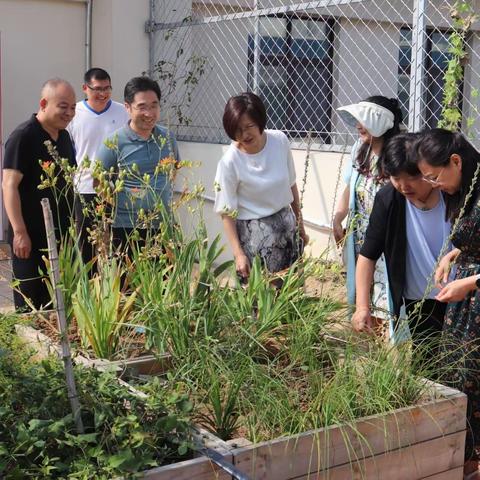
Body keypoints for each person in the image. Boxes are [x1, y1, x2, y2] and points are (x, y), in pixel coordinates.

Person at [415, 128, 480, 478]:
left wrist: (469, 283)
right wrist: (454, 255)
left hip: (473, 297)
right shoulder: (468, 188)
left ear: (456, 161)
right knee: (460, 378)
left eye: (435, 176)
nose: (433, 184)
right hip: (466, 306)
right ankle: (465, 462)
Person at [352, 133, 450, 356]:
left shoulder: (451, 192)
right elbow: (367, 256)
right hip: (420, 300)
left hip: (462, 296)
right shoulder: (388, 199)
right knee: (428, 364)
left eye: (412, 177)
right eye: (396, 178)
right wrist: (362, 307)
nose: (404, 186)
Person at [214, 92, 308, 281]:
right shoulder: (229, 163)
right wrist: (238, 254)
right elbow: (226, 212)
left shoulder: (279, 141)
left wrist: (300, 226)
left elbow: (291, 185)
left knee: (292, 297)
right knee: (262, 303)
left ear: (260, 121)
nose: (244, 134)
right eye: (238, 129)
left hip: (287, 230)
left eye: (249, 126)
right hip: (255, 239)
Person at [2, 78, 76, 311]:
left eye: (73, 107)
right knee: (29, 300)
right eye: (63, 106)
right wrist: (19, 232)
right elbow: (8, 185)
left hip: (60, 232)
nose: (69, 113)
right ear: (44, 103)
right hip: (30, 233)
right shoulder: (23, 136)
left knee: (57, 298)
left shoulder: (63, 137)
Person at [333, 96, 403, 332]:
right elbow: (349, 186)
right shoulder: (359, 150)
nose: (358, 126)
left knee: (384, 297)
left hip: (387, 237)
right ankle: (371, 348)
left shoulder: (397, 155)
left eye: (363, 120)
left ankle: (387, 348)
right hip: (360, 234)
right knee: (363, 292)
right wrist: (338, 216)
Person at [96, 76, 179, 257]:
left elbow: (175, 169)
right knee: (130, 285)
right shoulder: (114, 142)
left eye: (154, 105)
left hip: (164, 225)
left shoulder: (168, 138)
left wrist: (159, 193)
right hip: (127, 227)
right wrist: (128, 197)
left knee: (166, 283)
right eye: (142, 107)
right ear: (128, 107)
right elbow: (98, 180)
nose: (149, 113)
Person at [67, 67, 129, 268]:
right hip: (85, 188)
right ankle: (88, 286)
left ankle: (118, 288)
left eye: (107, 88)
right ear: (85, 88)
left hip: (118, 187)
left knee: (120, 240)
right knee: (86, 242)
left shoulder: (122, 112)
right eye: (97, 89)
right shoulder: (74, 114)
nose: (102, 94)